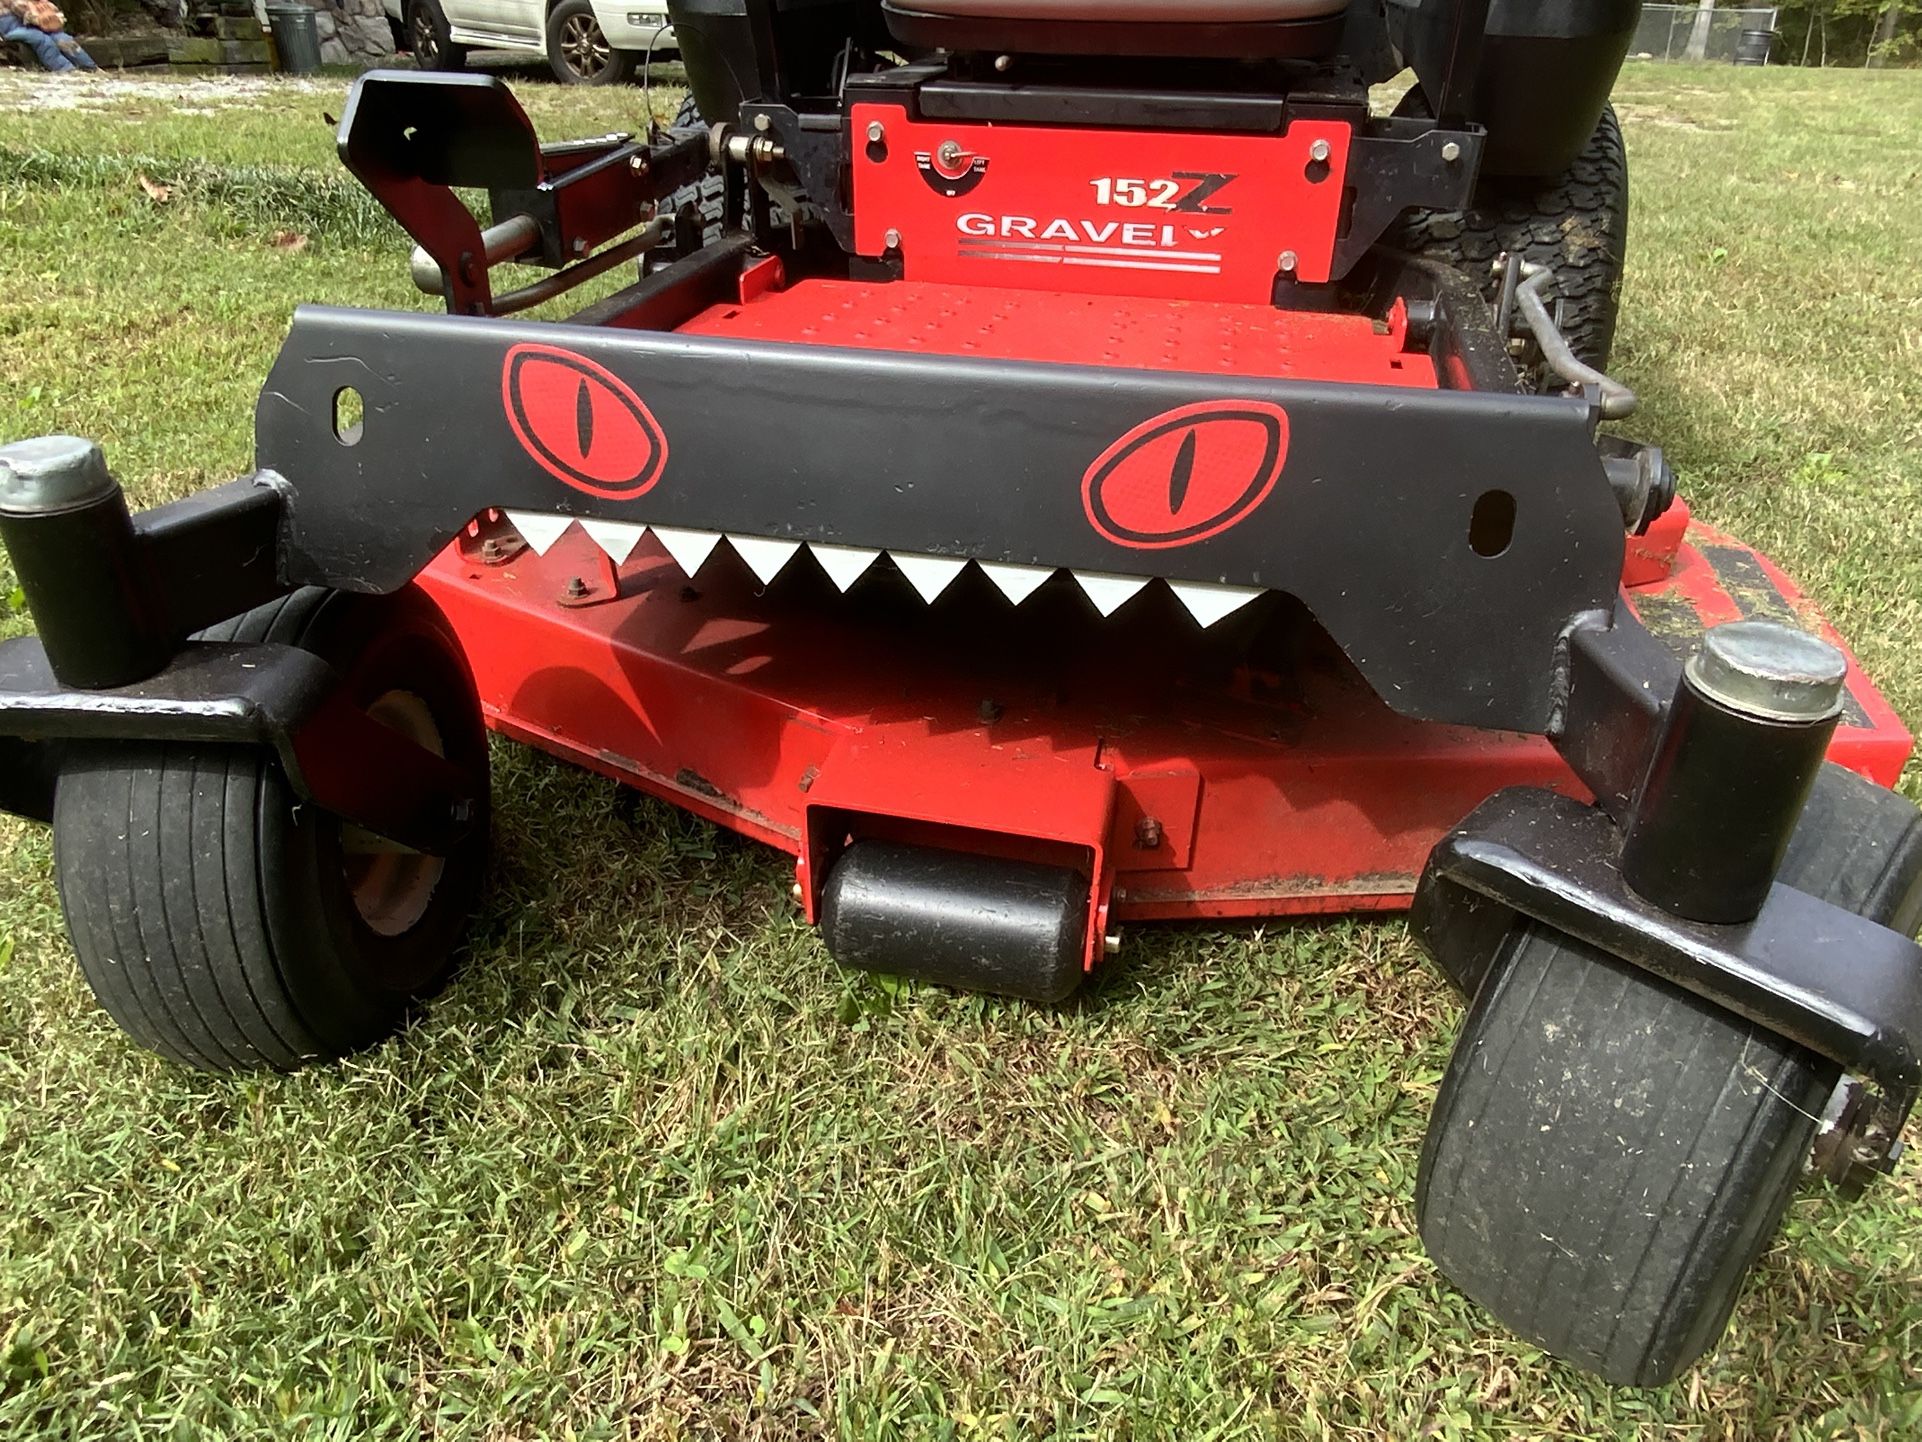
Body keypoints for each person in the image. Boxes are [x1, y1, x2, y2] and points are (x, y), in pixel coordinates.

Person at [0, 0, 100, 72]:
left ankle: (90, 66)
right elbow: (20, 8)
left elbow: (53, 10)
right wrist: (38, 16)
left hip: (34, 25)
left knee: (63, 39)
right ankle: (65, 68)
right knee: (42, 40)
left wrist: (53, 16)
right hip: (13, 28)